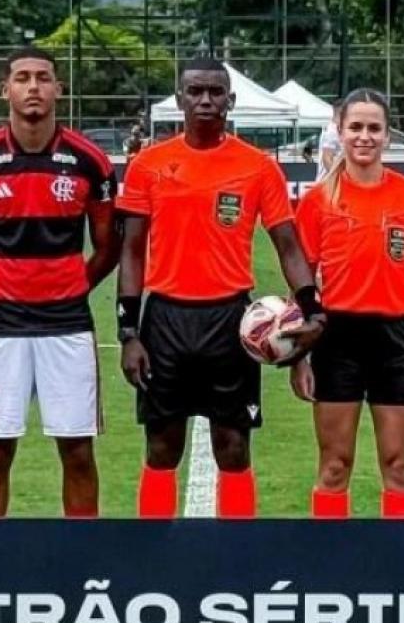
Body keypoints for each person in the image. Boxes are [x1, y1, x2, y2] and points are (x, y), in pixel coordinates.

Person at [115, 55, 325, 519]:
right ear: (180, 99)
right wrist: (128, 333)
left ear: (230, 100)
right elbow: (131, 252)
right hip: (164, 319)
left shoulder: (258, 167)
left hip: (231, 321)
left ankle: (236, 553)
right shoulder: (148, 165)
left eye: (215, 92)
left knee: (233, 447)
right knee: (161, 446)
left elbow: (288, 247)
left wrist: (314, 312)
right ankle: (154, 549)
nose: (205, 100)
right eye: (195, 91)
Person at [0, 46, 119, 518]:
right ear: (5, 89)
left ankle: (78, 550)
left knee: (78, 451)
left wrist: (71, 286)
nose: (33, 87)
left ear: (58, 89)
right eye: (22, 78)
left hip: (67, 322)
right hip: (1, 324)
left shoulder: (90, 161)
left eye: (43, 78)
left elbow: (108, 246)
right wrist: (2, 287)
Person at [291, 88, 404, 519]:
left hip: (395, 337)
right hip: (335, 337)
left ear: (387, 135)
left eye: (374, 128)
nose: (364, 136)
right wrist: (298, 355)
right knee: (334, 465)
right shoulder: (317, 201)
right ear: (339, 131)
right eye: (355, 127)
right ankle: (331, 554)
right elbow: (301, 281)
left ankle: (398, 555)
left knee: (399, 466)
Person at [315, 103, 342, 181]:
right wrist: (339, 177)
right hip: (328, 181)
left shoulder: (334, 129)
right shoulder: (332, 132)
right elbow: (326, 158)